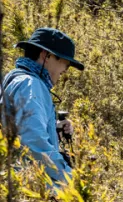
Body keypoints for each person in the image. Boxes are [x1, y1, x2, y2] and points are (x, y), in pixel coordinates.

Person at [1, 27, 84, 189]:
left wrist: (54, 130)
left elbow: (19, 130)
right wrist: (69, 178)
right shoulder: (31, 85)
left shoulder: (15, 80)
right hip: (29, 189)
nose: (65, 70)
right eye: (64, 63)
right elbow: (33, 142)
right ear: (46, 56)